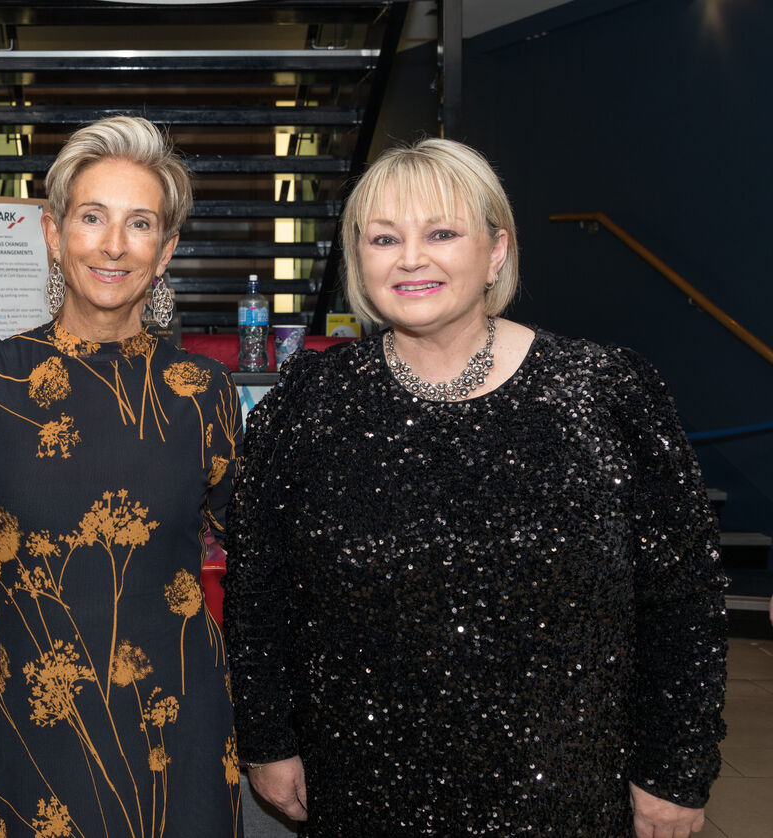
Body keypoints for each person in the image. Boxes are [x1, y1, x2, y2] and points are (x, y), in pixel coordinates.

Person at [223, 137, 727, 837]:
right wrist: (270, 740)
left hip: (564, 790)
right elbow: (259, 589)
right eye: (383, 238)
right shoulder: (309, 403)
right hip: (365, 785)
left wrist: (674, 768)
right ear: (358, 259)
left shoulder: (605, 392)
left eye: (442, 233)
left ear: (496, 249)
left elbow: (683, 597)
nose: (410, 258)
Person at [0, 115, 243, 837]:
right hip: (31, 733)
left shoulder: (202, 390)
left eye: (140, 223)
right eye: (92, 218)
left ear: (167, 249)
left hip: (176, 731)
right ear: (54, 235)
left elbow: (260, 560)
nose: (114, 245)